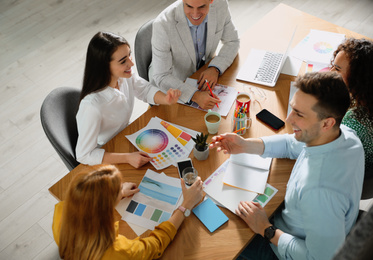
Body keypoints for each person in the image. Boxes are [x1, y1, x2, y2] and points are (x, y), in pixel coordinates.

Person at [210, 72, 364, 259]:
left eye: (299, 114)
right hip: (303, 225)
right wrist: (246, 145)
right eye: (293, 108)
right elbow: (292, 144)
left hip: (282, 246)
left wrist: (266, 229)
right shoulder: (346, 136)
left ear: (326, 123)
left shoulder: (319, 191)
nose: (289, 120)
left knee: (216, 243)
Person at [52, 164, 204, 259]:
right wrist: (186, 205)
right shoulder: (118, 251)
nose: (122, 186)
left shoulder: (60, 209)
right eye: (119, 188)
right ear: (105, 208)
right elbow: (154, 245)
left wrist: (117, 192)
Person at [76, 32, 181, 168]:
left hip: (126, 137)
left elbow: (145, 90)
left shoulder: (124, 77)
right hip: (108, 153)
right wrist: (127, 158)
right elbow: (84, 155)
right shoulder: (91, 106)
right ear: (104, 66)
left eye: (129, 55)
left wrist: (166, 99)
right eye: (123, 61)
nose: (131, 63)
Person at [151, 0, 240, 109]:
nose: (195, 14)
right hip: (175, 87)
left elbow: (233, 41)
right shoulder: (162, 25)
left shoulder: (220, 4)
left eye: (202, 7)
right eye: (189, 6)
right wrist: (195, 95)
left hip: (203, 73)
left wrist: (215, 68)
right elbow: (161, 76)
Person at [330, 38, 373, 178]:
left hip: (344, 176)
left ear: (356, 77)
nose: (331, 71)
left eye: (337, 69)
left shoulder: (353, 122)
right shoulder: (365, 94)